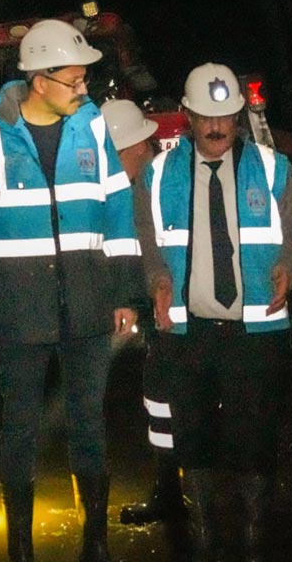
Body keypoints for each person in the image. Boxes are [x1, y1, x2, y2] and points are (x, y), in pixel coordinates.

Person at [0, 18, 140, 562]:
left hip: (86, 304)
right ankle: (21, 548)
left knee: (89, 422)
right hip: (18, 311)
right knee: (20, 425)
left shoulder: (91, 127)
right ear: (39, 80)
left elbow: (118, 212)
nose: (84, 89)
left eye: (85, 79)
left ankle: (97, 545)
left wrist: (124, 293)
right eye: (74, 80)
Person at [134, 62, 292, 561]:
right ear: (188, 115)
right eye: (207, 118)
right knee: (192, 438)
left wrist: (289, 268)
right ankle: (206, 538)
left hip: (255, 334)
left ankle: (254, 540)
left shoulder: (274, 168)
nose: (217, 129)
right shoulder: (158, 174)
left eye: (227, 118)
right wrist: (157, 279)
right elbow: (146, 240)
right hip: (186, 334)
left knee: (255, 439)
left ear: (239, 116)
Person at [99, 99, 185, 526]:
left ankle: (181, 496)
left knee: (175, 402)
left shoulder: (153, 189)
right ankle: (171, 491)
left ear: (132, 148)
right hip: (157, 314)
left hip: (177, 312)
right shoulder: (132, 189)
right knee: (161, 404)